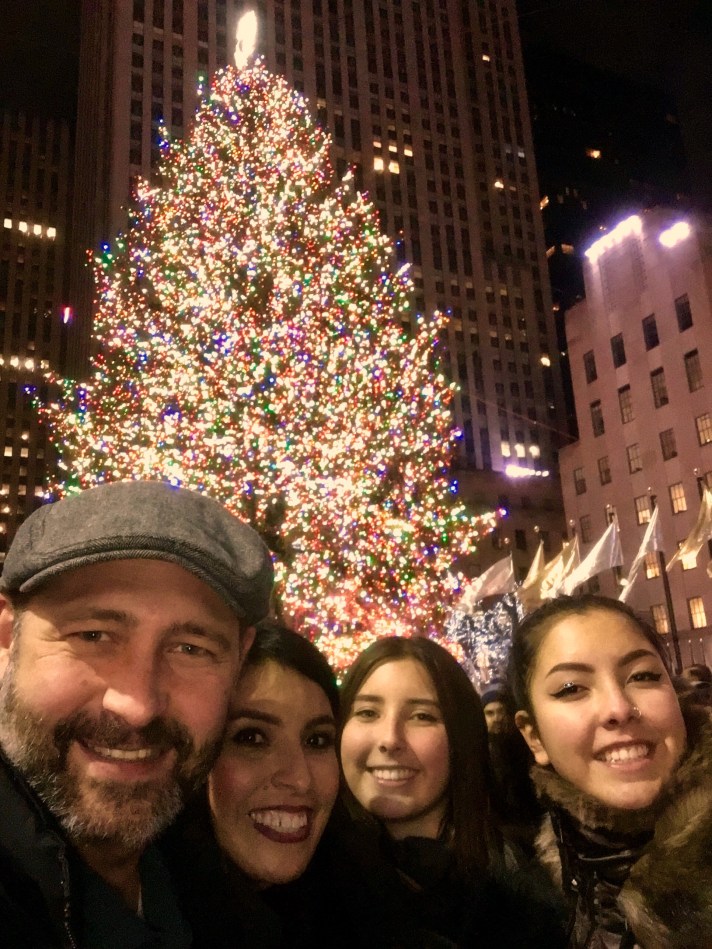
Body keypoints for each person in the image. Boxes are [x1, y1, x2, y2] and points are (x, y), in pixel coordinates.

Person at [0, 479, 273, 949]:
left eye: (191, 648)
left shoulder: (211, 882)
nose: (138, 707)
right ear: (7, 638)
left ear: (239, 657)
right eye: (93, 636)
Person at [162, 621, 422, 948]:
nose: (299, 778)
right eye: (252, 738)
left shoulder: (368, 896)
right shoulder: (140, 917)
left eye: (317, 740)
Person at [510, 593, 712, 949]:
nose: (618, 708)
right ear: (534, 737)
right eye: (572, 688)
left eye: (643, 676)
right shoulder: (524, 902)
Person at [339, 636, 566, 948]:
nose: (389, 739)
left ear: (462, 737)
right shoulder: (302, 891)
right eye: (367, 712)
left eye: (422, 716)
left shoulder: (525, 901)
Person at [481, 683, 543, 857]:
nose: (497, 718)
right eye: (490, 713)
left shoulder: (521, 748)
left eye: (500, 712)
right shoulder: (479, 753)